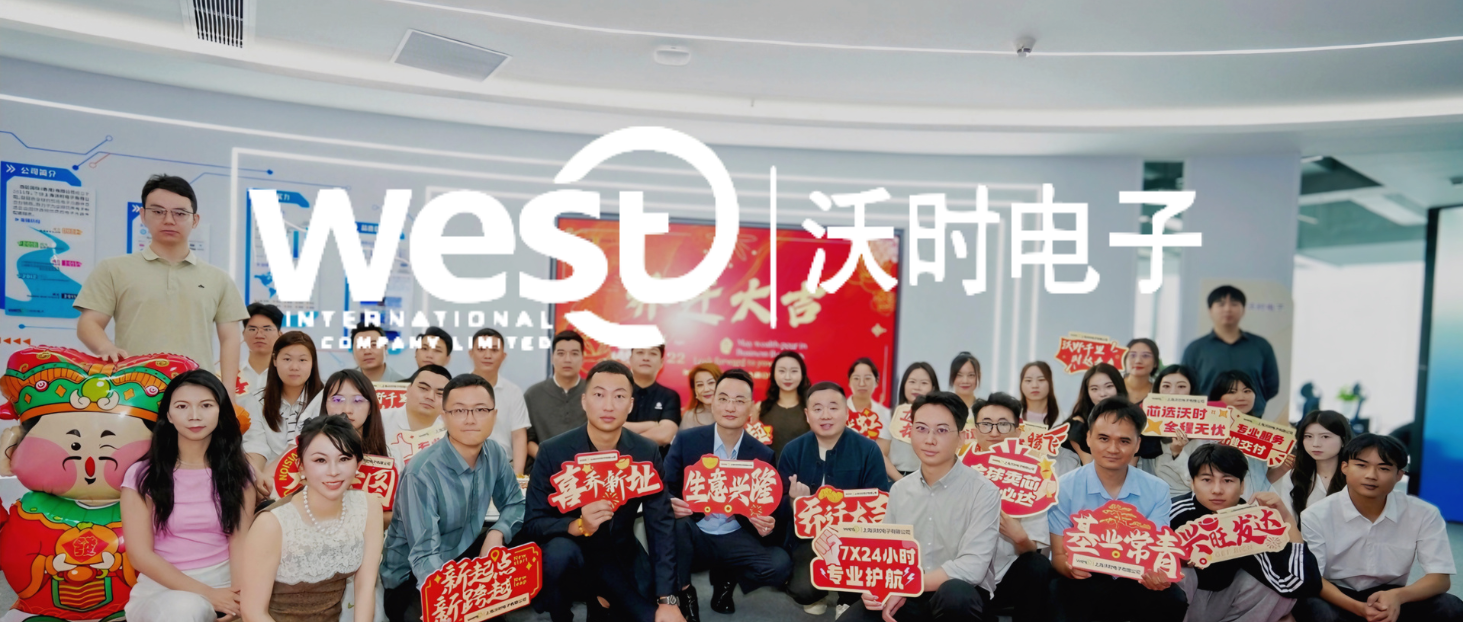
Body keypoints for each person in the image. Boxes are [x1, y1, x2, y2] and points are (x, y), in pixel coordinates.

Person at [519, 360, 684, 622]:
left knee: (654, 617)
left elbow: (661, 525)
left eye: (619, 396)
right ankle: (562, 614)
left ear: (630, 405)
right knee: (558, 554)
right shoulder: (553, 451)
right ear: (584, 401)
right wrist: (577, 525)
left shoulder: (645, 452)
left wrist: (668, 600)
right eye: (599, 395)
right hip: (573, 555)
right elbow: (533, 523)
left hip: (620, 554)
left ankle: (603, 603)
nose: (608, 406)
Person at [75, 174, 248, 384]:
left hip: (197, 392)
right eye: (158, 211)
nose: (169, 220)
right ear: (143, 215)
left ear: (195, 220)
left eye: (180, 213)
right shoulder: (113, 269)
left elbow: (230, 339)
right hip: (133, 389)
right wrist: (106, 347)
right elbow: (89, 322)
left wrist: (227, 392)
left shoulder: (219, 279)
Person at [380, 374, 525, 622]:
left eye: (481, 409)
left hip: (462, 557)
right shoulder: (422, 472)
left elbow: (515, 503)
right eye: (459, 410)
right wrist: (456, 598)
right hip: (413, 579)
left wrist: (496, 533)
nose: (470, 419)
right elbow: (424, 555)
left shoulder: (494, 452)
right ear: (444, 416)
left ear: (494, 415)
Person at [120, 370, 257, 621]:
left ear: (220, 411)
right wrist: (209, 595)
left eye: (206, 405)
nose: (195, 415)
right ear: (168, 415)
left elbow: (239, 541)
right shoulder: (141, 475)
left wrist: (239, 600)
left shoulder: (239, 472)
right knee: (185, 609)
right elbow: (139, 555)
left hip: (224, 584)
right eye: (182, 406)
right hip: (163, 590)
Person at [857, 391, 1000, 622]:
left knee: (955, 595)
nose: (929, 439)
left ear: (961, 438)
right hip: (907, 592)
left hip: (961, 594)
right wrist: (877, 587)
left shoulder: (983, 492)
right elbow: (886, 555)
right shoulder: (900, 490)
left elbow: (972, 567)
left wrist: (908, 584)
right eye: (921, 428)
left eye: (941, 430)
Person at [664, 369, 791, 620]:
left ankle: (727, 576)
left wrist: (767, 524)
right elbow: (665, 486)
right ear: (712, 402)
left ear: (751, 407)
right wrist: (670, 502)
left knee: (779, 565)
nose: (730, 407)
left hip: (735, 533)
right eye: (723, 398)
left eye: (739, 400)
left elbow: (770, 507)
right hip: (695, 531)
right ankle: (685, 593)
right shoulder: (687, 440)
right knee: (677, 526)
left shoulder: (762, 454)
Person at [1295, 434, 1463, 622]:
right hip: (1337, 595)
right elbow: (1314, 578)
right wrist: (1359, 609)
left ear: (1399, 475)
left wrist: (1398, 596)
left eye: (1383, 468)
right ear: (1344, 467)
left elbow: (1440, 578)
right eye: (1361, 465)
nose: (1371, 475)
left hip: (1391, 596)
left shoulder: (1424, 513)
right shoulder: (1316, 515)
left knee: (1450, 606)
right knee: (1315, 609)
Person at [1049, 396, 1187, 622]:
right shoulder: (1063, 487)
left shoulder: (1157, 489)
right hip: (1088, 577)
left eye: (1124, 441)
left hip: (1135, 578)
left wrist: (1158, 575)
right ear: (1089, 438)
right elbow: (1058, 556)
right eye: (1103, 438)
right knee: (1058, 590)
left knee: (1173, 599)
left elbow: (1155, 554)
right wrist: (1069, 568)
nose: (1113, 449)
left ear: (1137, 444)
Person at [240, 415, 386, 622]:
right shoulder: (272, 523)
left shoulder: (368, 506)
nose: (333, 471)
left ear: (358, 464)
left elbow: (365, 586)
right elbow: (253, 612)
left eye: (344, 459)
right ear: (301, 466)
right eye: (320, 460)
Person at [1170, 444, 1320, 622]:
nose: (1217, 490)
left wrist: (1287, 520)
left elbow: (1301, 584)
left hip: (1224, 603)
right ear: (1193, 483)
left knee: (1271, 588)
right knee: (1178, 570)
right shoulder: (1173, 512)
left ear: (1242, 486)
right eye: (1207, 480)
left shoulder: (1250, 522)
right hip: (1180, 606)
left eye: (1227, 481)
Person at [779, 381, 892, 615]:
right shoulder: (792, 450)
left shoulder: (868, 450)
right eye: (817, 409)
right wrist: (794, 503)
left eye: (833, 407)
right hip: (808, 538)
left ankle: (847, 599)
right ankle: (817, 594)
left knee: (859, 583)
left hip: (856, 539)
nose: (825, 415)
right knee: (803, 589)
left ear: (846, 413)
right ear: (807, 415)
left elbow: (880, 504)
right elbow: (777, 506)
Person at [969, 392, 1053, 622]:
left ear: (1017, 430)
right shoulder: (959, 472)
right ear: (975, 430)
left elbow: (1034, 548)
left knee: (1038, 565)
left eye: (1003, 424)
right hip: (966, 577)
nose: (994, 432)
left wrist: (1020, 538)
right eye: (986, 424)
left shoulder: (1032, 478)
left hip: (1007, 577)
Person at [1181, 285, 1281, 416]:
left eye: (1234, 304)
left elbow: (1271, 386)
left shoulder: (1261, 345)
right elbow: (1185, 386)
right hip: (1208, 418)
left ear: (1243, 310)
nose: (1227, 309)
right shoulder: (1195, 348)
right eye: (1221, 304)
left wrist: (1251, 403)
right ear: (1210, 310)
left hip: (1252, 419)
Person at [242, 331, 325, 487]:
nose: (294, 367)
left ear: (312, 363)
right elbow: (255, 445)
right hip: (268, 482)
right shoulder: (257, 401)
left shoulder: (326, 398)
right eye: (287, 359)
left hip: (316, 482)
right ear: (275, 360)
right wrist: (258, 476)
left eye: (302, 360)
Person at [1207, 370, 1288, 494]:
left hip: (1256, 502)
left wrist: (1283, 468)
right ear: (1218, 397)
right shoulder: (1208, 431)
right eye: (1232, 392)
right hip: (1221, 500)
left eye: (1247, 391)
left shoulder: (1262, 433)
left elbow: (1260, 480)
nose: (1241, 397)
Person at [467, 328, 530, 475]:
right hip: (463, 467)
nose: (487, 355)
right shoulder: (456, 389)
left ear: (503, 356)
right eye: (481, 349)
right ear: (471, 353)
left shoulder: (513, 392)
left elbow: (519, 436)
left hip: (503, 468)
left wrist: (517, 476)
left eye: (494, 350)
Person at [1277, 410, 1351, 522]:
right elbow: (1289, 521)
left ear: (1343, 440)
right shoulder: (1295, 476)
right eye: (1308, 436)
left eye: (1325, 437)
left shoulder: (1355, 476)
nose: (1315, 444)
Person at [526, 330, 589, 458]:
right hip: (544, 463)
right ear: (552, 357)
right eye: (561, 353)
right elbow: (527, 439)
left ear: (583, 358)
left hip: (587, 465)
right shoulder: (533, 395)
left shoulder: (594, 392)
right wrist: (548, 460)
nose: (567, 359)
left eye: (574, 354)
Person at [1061, 363, 1129, 473]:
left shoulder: (1131, 421)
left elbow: (1131, 465)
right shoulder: (1078, 425)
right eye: (1094, 389)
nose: (1102, 394)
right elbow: (1091, 467)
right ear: (1087, 393)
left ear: (1118, 387)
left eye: (1109, 386)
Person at [380, 365, 451, 470]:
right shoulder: (378, 420)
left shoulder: (451, 434)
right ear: (408, 389)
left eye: (440, 393)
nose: (430, 397)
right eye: (423, 388)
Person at [1151, 364, 1204, 496]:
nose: (1172, 392)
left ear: (1192, 390)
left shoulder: (1205, 427)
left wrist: (1178, 453)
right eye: (1166, 386)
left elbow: (1201, 481)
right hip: (1153, 497)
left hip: (1189, 499)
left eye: (1181, 386)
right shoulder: (1147, 423)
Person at [847, 357, 900, 482]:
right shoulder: (838, 412)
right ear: (849, 382)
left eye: (867, 378)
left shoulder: (886, 414)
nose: (861, 383)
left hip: (876, 477)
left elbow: (882, 453)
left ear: (876, 382)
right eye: (856, 378)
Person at [889, 362, 939, 479]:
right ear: (904, 385)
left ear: (933, 387)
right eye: (912, 382)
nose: (917, 387)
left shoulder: (941, 417)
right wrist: (900, 480)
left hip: (928, 479)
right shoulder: (891, 414)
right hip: (894, 479)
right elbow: (882, 453)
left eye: (924, 383)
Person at [758, 350, 811, 460]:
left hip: (802, 469)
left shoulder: (811, 409)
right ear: (773, 374)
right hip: (768, 469)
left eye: (794, 371)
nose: (787, 377)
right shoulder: (760, 408)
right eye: (782, 371)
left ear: (802, 375)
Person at [626, 345, 682, 448]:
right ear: (630, 359)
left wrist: (624, 441)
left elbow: (664, 436)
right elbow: (606, 427)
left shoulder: (670, 396)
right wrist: (652, 425)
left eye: (653, 353)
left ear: (661, 362)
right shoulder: (616, 392)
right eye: (640, 352)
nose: (646, 358)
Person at [235, 302, 284, 397]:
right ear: (244, 334)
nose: (259, 335)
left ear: (280, 335)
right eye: (252, 329)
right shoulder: (230, 375)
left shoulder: (287, 375)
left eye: (267, 329)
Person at [680, 362, 723, 430]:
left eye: (711, 383)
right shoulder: (689, 416)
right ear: (694, 390)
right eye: (700, 385)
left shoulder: (732, 412)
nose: (706, 389)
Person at [1018, 361, 1060, 426]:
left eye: (1041, 380)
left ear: (1050, 383)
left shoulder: (1062, 419)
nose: (1035, 385)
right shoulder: (1011, 416)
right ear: (1021, 384)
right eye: (1028, 380)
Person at [1123, 338, 1161, 405]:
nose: (1138, 361)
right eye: (1132, 355)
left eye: (1145, 356)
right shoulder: (1113, 386)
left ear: (1155, 362)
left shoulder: (1159, 392)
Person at [949, 351, 982, 418]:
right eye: (959, 375)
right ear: (952, 376)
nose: (965, 381)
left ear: (979, 376)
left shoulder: (984, 409)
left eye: (971, 375)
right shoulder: (944, 407)